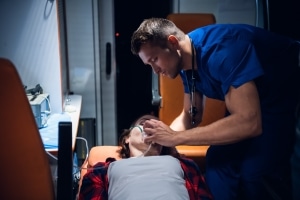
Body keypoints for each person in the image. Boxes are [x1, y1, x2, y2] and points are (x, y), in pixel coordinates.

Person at [130, 18, 300, 200]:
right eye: (149, 64)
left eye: (155, 59)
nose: (155, 70)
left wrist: (175, 138)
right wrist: (162, 138)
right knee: (218, 160)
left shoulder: (222, 51)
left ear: (172, 42)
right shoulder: (184, 63)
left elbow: (249, 122)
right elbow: (190, 115)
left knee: (255, 172)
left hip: (282, 94)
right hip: (249, 104)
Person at [78, 114, 212, 200]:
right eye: (143, 123)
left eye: (157, 127)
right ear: (127, 138)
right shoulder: (102, 171)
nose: (149, 127)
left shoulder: (185, 166)